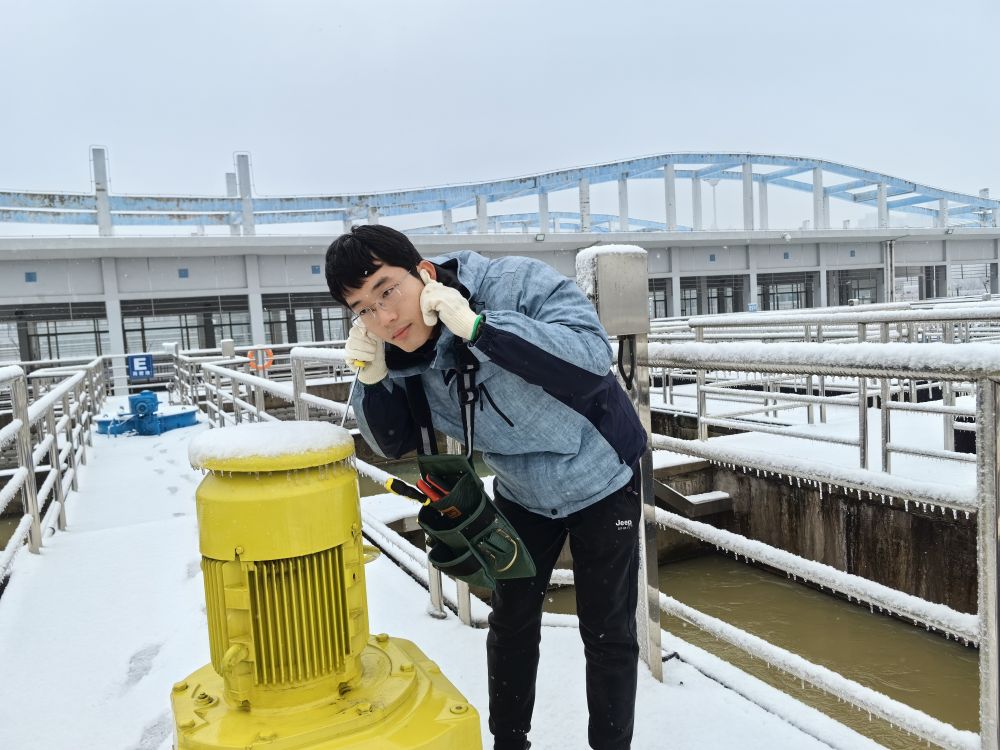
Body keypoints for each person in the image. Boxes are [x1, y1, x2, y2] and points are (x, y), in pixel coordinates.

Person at [324, 225, 647, 750]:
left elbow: (591, 358)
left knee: (607, 628)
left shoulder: (512, 284)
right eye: (362, 309)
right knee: (512, 619)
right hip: (521, 489)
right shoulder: (398, 352)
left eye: (387, 290)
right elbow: (393, 442)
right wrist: (372, 379)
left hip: (600, 473)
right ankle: (508, 742)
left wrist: (481, 329)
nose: (384, 317)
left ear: (422, 272)